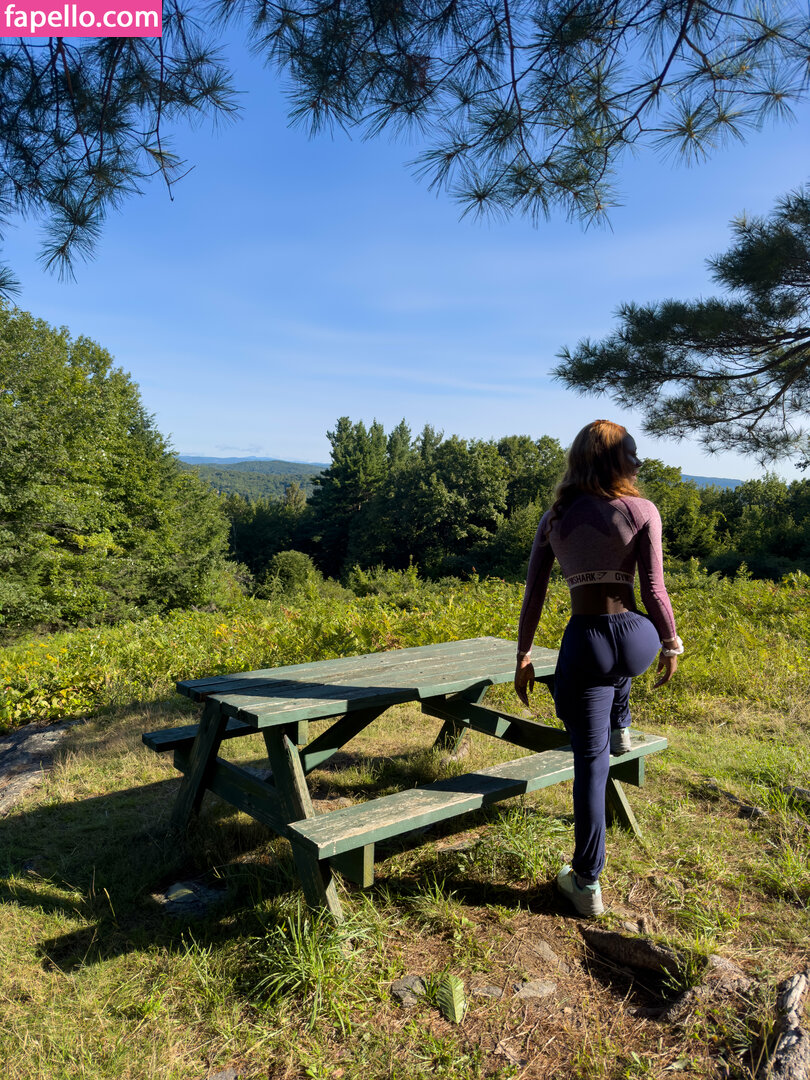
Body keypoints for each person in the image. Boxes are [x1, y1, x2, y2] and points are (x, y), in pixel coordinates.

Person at [514, 420, 682, 917]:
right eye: (631, 454)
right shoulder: (641, 511)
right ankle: (622, 724)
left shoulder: (555, 518)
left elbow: (534, 593)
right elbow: (653, 589)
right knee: (619, 666)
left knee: (591, 762)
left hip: (586, 641)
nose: (638, 461)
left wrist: (524, 654)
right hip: (636, 639)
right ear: (611, 459)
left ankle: (587, 882)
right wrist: (670, 643)